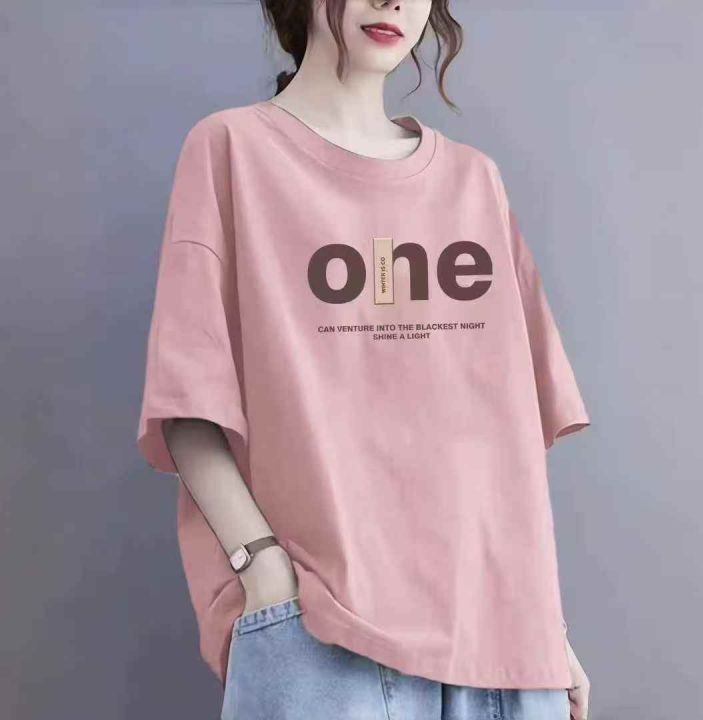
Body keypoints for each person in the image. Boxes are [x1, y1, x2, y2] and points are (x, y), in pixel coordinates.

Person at [136, 1, 592, 718]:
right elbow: (187, 406)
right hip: (322, 628)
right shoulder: (232, 150)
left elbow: (505, 440)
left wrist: (547, 628)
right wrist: (261, 566)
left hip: (503, 647)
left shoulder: (473, 182)